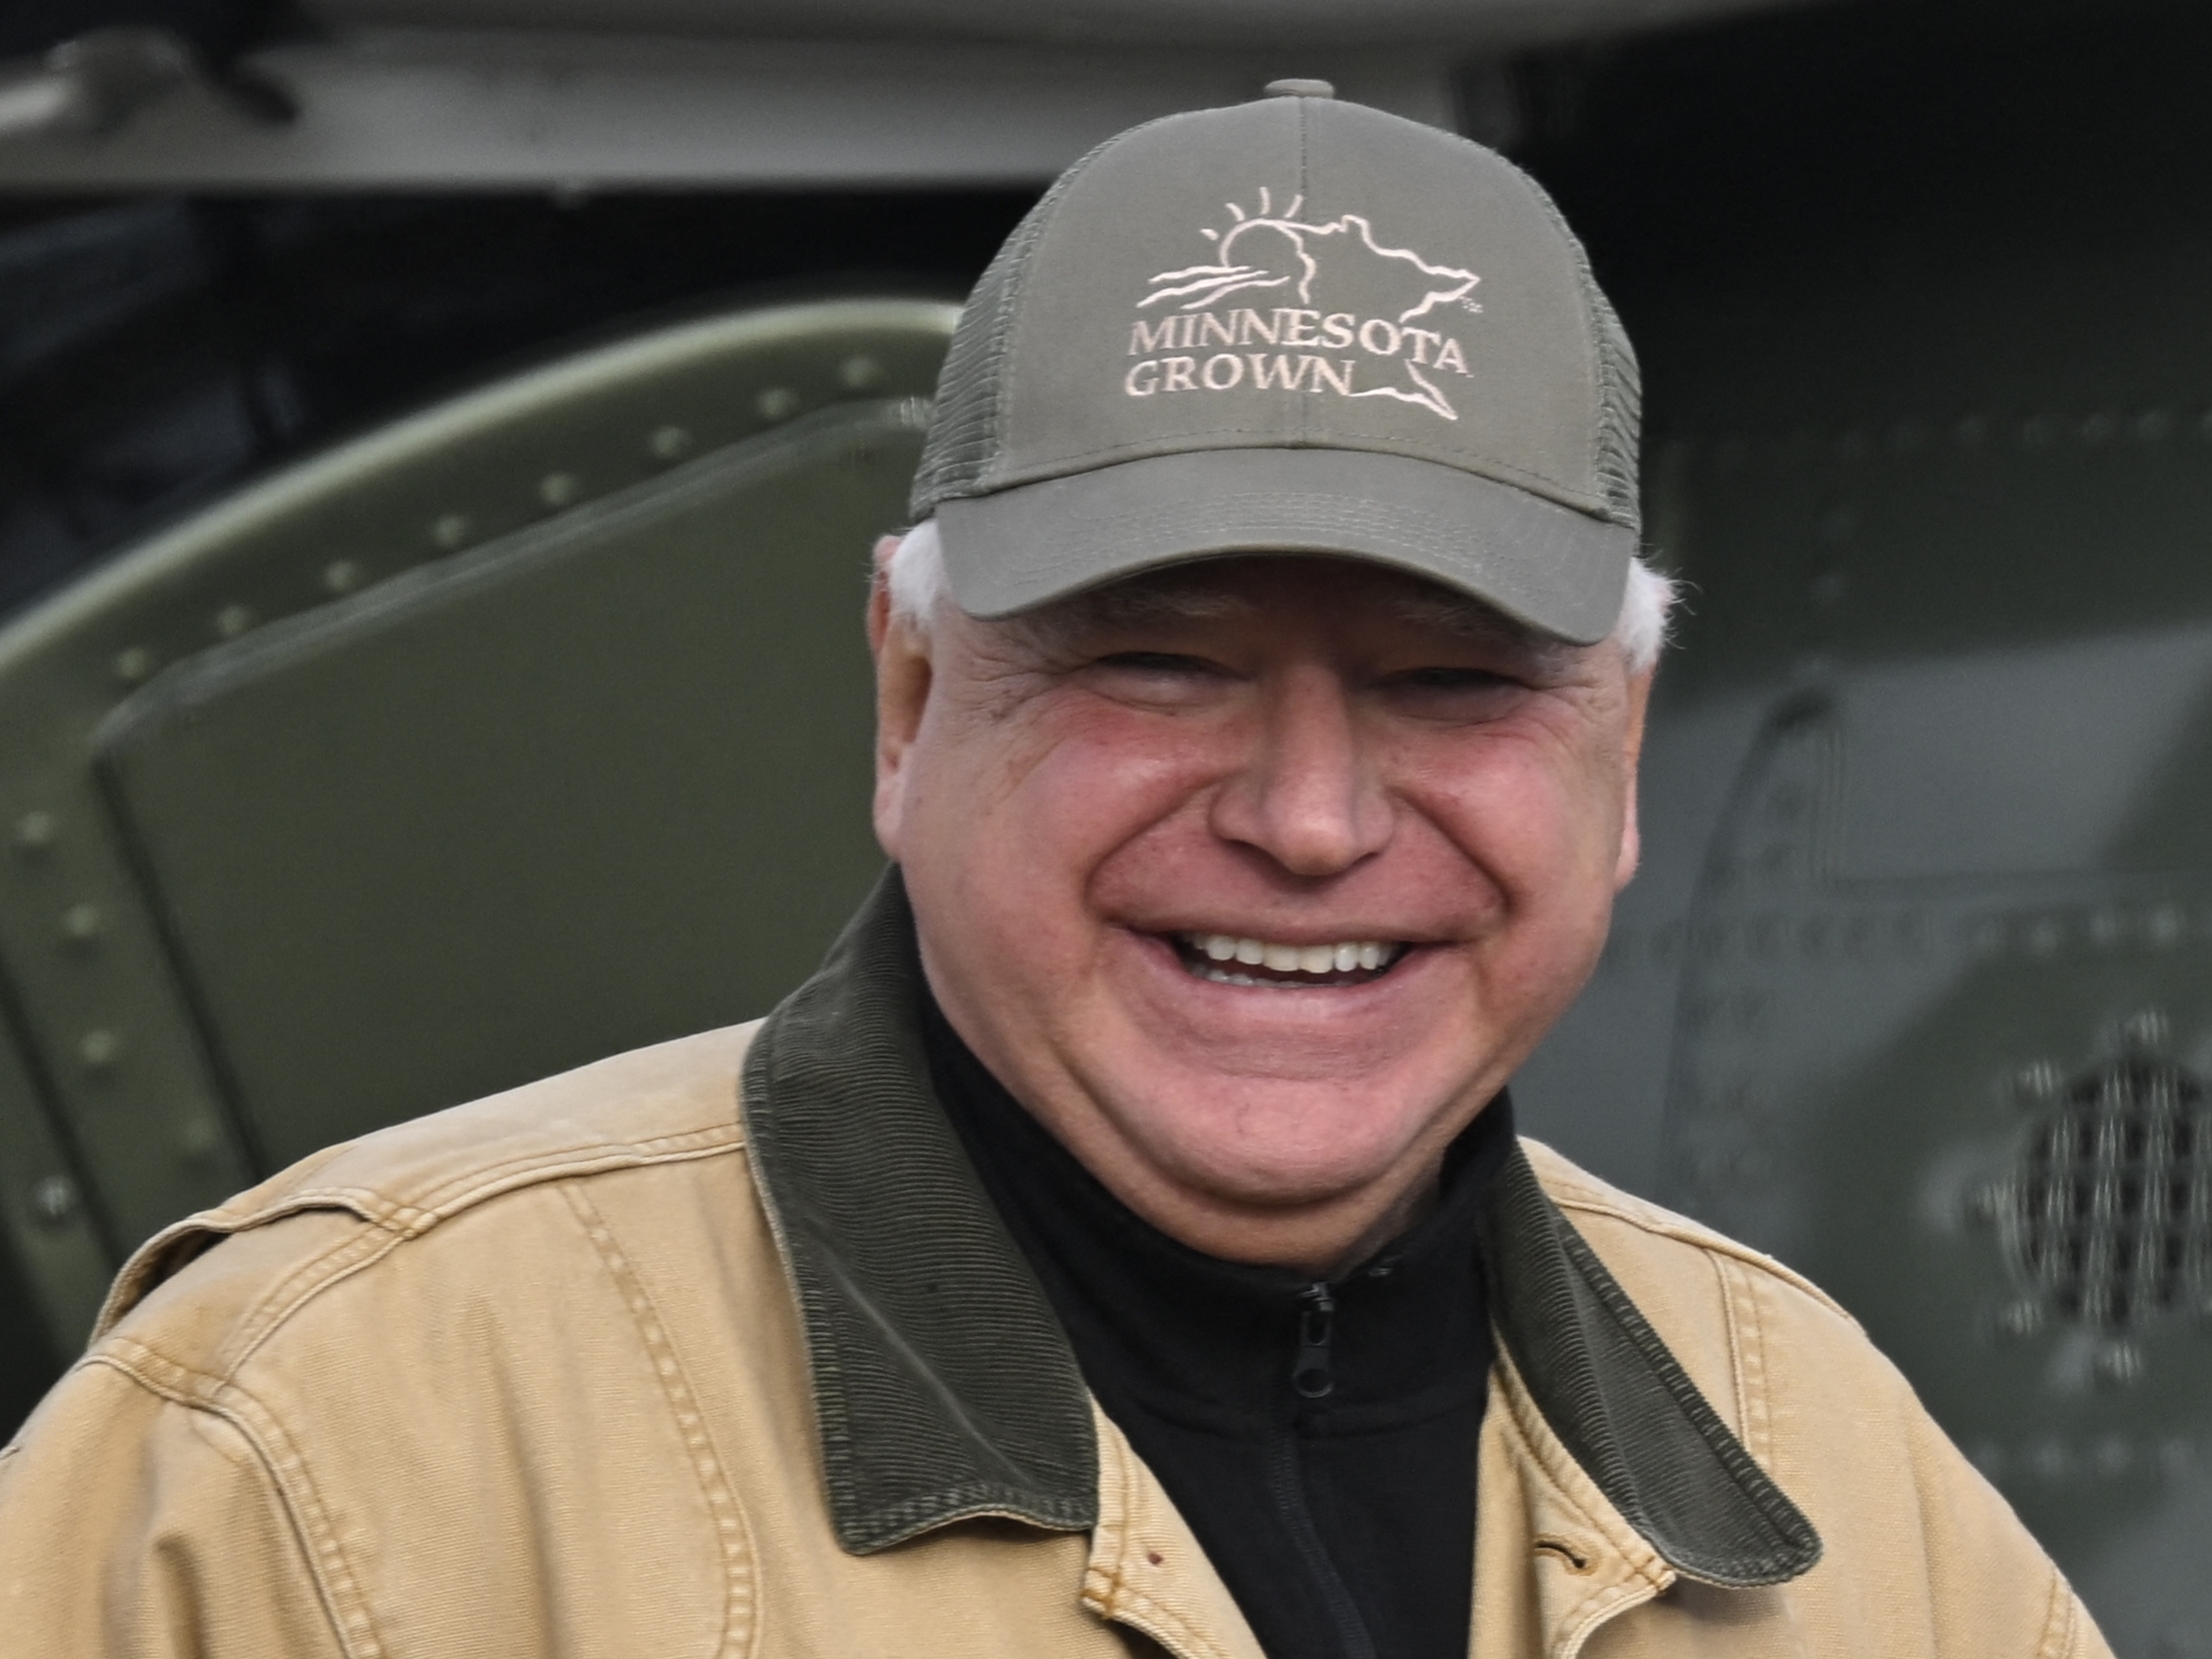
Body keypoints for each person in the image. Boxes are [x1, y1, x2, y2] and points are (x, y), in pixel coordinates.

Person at [0, 84, 2105, 1659]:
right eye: (1160, 663)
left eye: (1458, 683)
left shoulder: (1838, 1486)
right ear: (909, 701)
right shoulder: (319, 1452)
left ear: (1622, 762)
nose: (1306, 816)